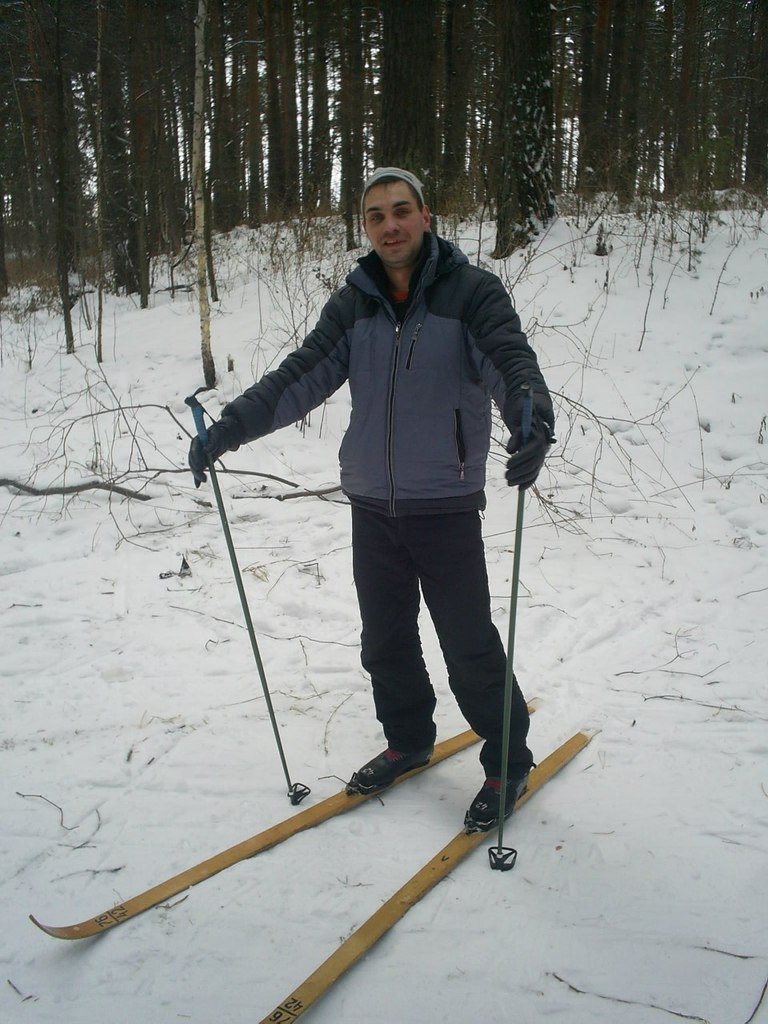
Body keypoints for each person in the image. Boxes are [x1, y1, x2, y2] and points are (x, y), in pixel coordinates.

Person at [189, 167, 555, 832]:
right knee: (384, 643)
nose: (389, 225)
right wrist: (229, 429)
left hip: (443, 506)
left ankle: (508, 762)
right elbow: (299, 376)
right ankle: (409, 738)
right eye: (376, 215)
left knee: (469, 647)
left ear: (426, 216)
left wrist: (532, 415)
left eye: (401, 211)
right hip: (371, 508)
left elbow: (510, 361)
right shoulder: (354, 302)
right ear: (365, 228)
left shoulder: (471, 292)